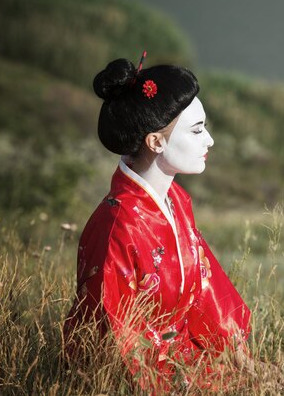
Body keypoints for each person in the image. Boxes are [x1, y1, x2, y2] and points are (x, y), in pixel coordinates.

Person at [63, 54, 251, 391]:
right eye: (197, 130)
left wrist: (238, 356)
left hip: (183, 359)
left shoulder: (176, 200)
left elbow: (204, 287)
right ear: (156, 141)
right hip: (145, 376)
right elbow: (111, 336)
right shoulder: (117, 226)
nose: (209, 140)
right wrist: (174, 382)